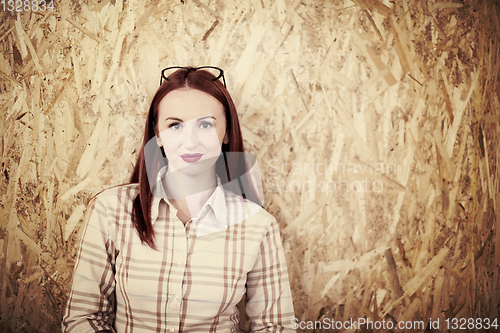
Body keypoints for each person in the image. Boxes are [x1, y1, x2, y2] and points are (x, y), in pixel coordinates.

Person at [62, 67, 295, 332]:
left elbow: (275, 326)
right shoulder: (110, 209)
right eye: (175, 125)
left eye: (206, 124)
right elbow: (84, 318)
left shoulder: (258, 225)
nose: (190, 142)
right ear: (157, 134)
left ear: (227, 132)